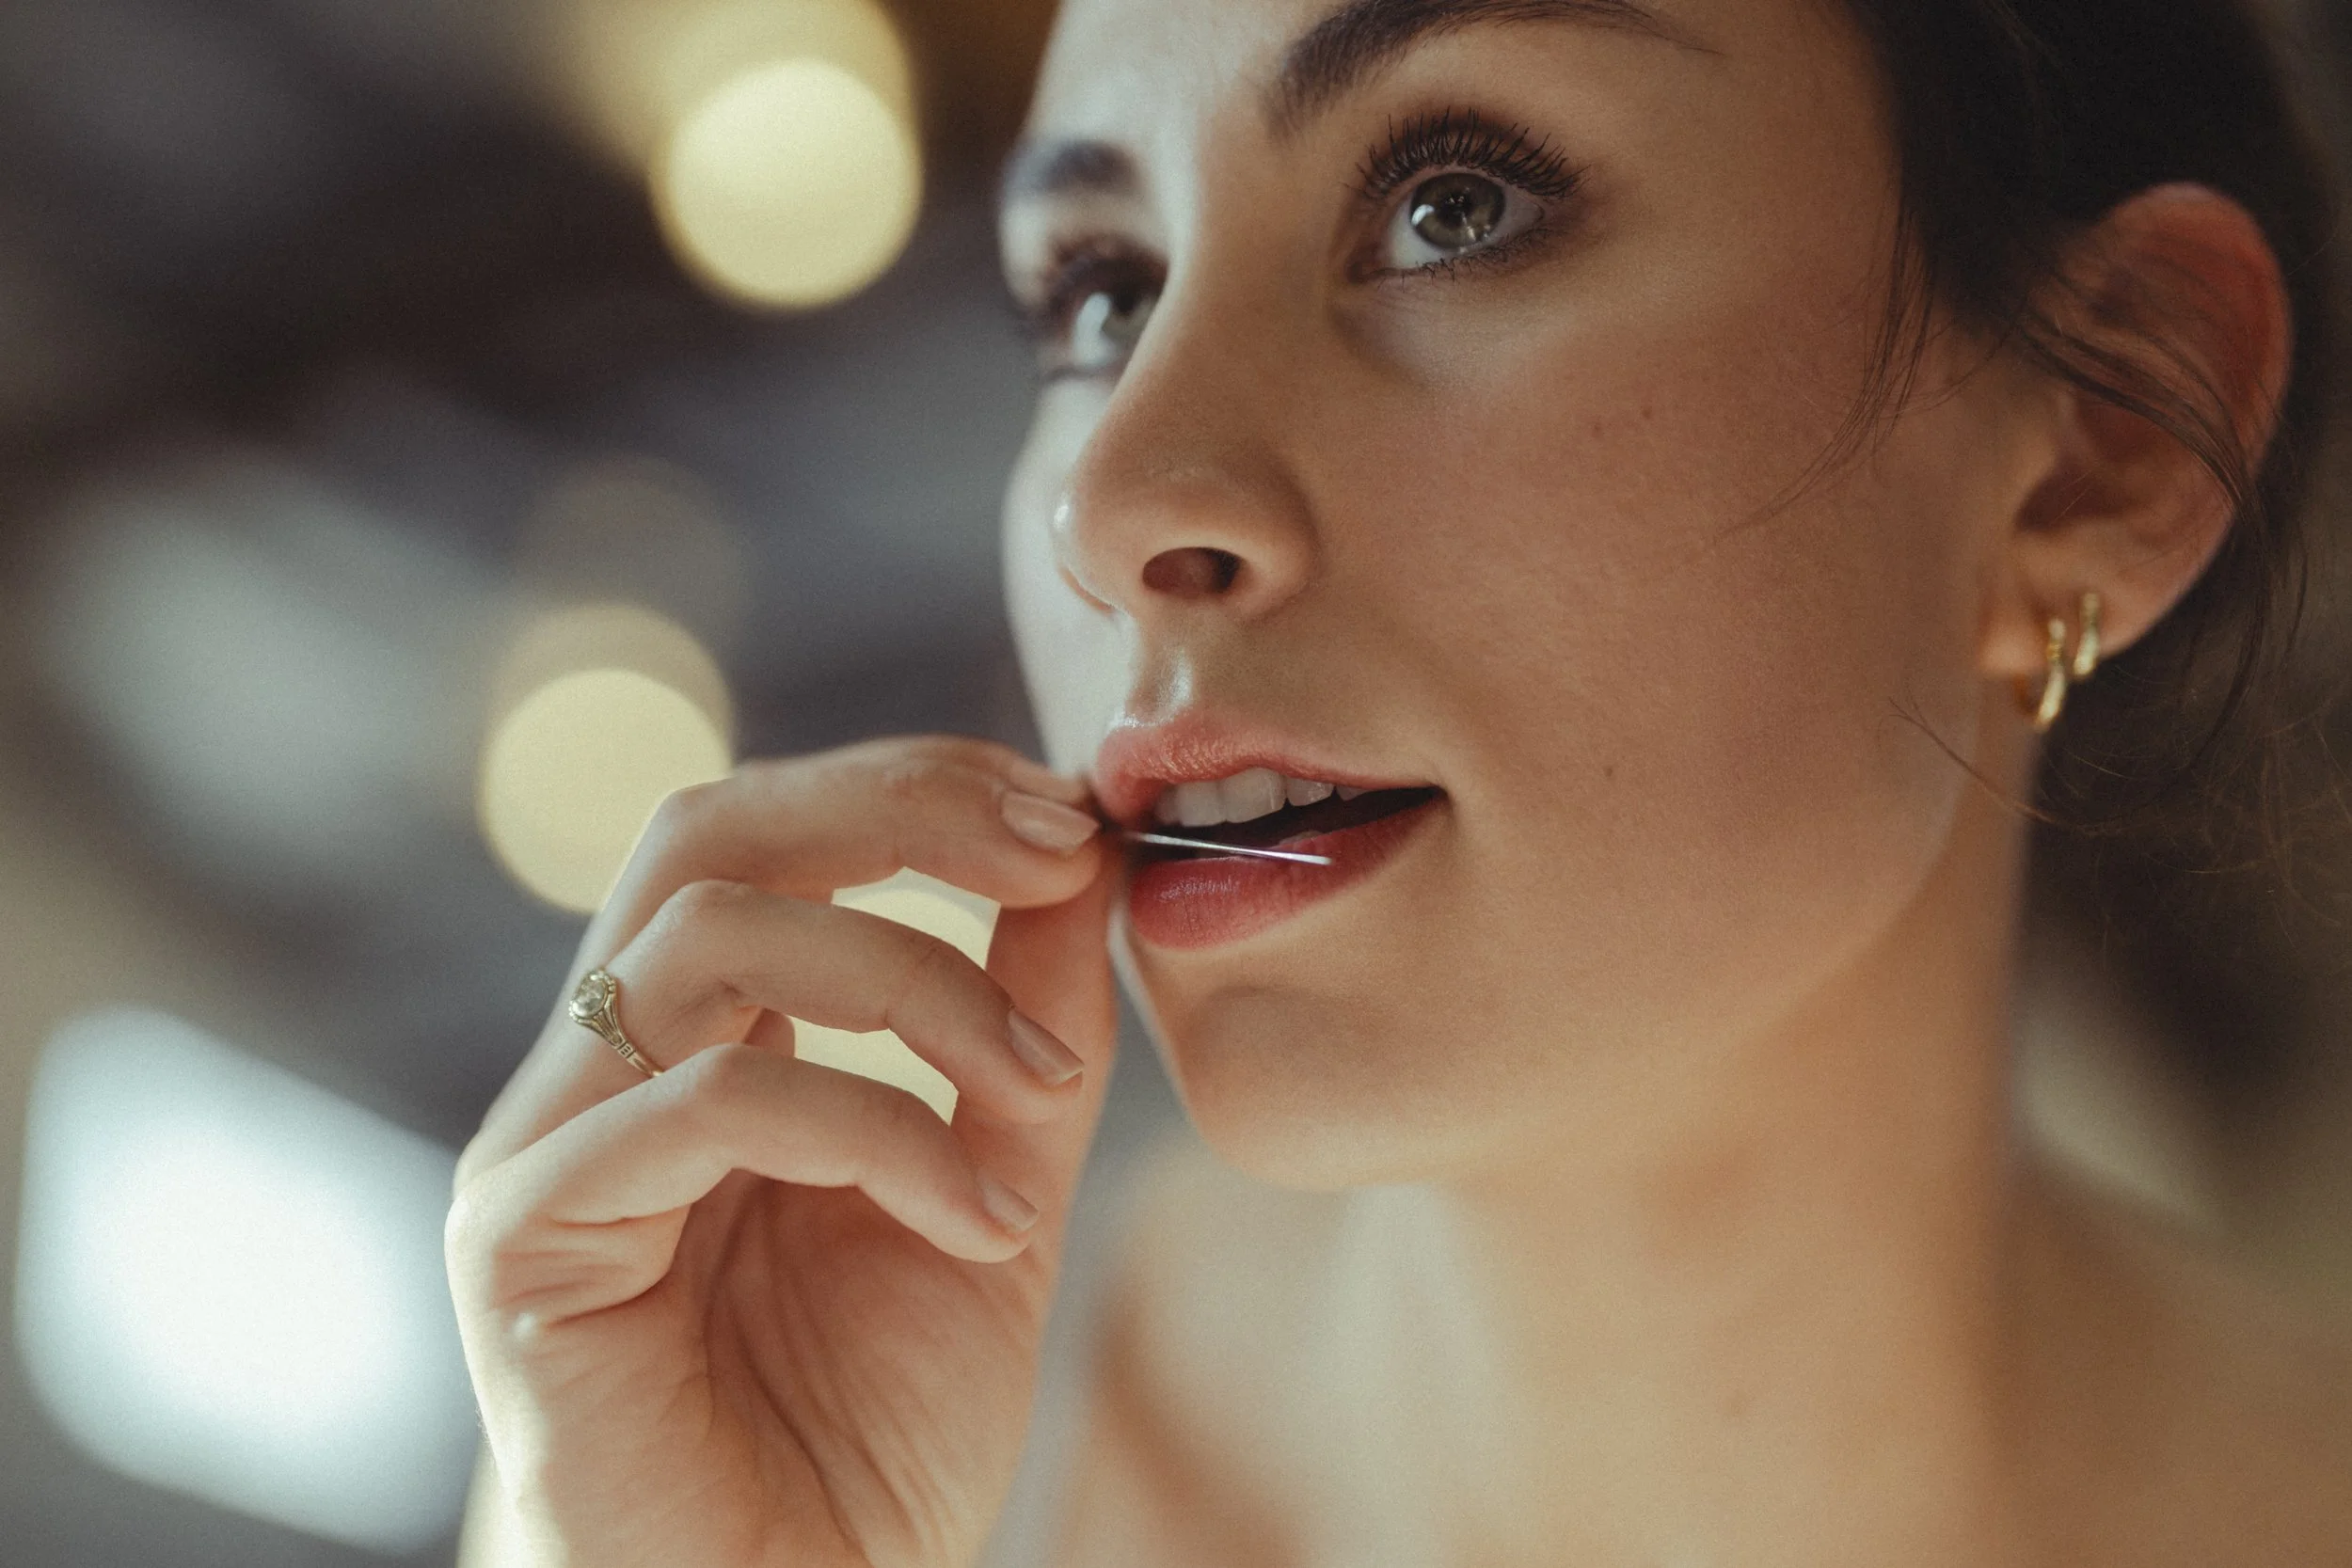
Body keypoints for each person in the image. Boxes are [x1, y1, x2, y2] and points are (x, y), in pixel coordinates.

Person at [444, 0, 2352, 1560]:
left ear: (2085, 453)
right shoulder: (782, 1447)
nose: (1115, 500)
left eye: (1454, 205)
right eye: (1100, 295)